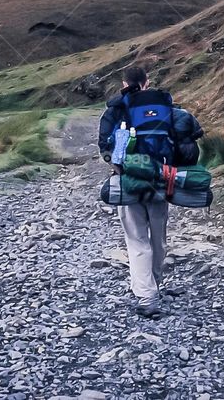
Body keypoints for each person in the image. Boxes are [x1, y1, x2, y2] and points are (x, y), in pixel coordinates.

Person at [98, 66, 176, 318]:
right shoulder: (164, 104)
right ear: (147, 81)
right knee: (159, 238)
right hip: (161, 179)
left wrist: (121, 168)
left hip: (129, 182)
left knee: (137, 239)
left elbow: (105, 149)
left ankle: (147, 295)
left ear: (124, 83)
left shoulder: (116, 108)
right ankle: (154, 284)